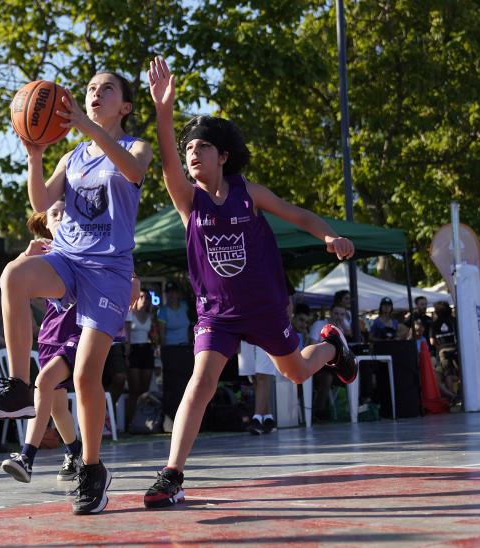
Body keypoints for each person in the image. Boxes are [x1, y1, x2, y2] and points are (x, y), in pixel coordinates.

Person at [143, 57, 357, 509]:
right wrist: (164, 112)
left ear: (222, 155)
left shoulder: (249, 192)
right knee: (199, 385)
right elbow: (165, 161)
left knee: (295, 372)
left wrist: (329, 236)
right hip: (215, 313)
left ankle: (332, 348)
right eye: (188, 151)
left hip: (262, 307)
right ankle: (172, 475)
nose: (192, 156)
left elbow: (297, 215)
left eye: (201, 148)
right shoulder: (188, 200)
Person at [0, 70, 152, 515]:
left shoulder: (134, 147)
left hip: (108, 269)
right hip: (68, 258)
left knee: (87, 376)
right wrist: (35, 156)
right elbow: (39, 203)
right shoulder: (72, 157)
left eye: (107, 88)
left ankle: (91, 468)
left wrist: (88, 129)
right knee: (14, 275)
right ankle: (16, 387)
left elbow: (132, 172)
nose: (94, 92)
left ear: (124, 106)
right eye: (90, 88)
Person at [1, 201, 83, 483]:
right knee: (57, 404)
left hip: (80, 331)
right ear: (44, 222)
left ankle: (26, 457)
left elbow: (115, 258)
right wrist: (24, 255)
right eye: (54, 213)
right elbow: (14, 284)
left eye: (66, 211)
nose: (60, 216)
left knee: (43, 383)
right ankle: (74, 451)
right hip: (50, 335)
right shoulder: (43, 254)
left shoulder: (87, 243)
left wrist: (134, 278)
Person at [157, 281, 194, 425]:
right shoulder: (163, 311)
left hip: (185, 350)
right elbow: (161, 334)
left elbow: (191, 327)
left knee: (186, 383)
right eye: (169, 292)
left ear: (178, 294)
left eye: (174, 292)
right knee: (172, 386)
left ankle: (189, 416)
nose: (171, 295)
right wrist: (163, 352)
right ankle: (171, 417)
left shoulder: (185, 307)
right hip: (171, 351)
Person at [125, 289, 155, 427]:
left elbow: (153, 336)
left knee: (144, 390)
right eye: (142, 296)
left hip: (147, 350)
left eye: (147, 298)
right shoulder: (130, 314)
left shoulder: (150, 316)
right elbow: (127, 337)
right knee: (134, 390)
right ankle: (129, 422)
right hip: (134, 351)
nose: (145, 300)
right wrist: (126, 354)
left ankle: (142, 423)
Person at [237, 342, 276, 434]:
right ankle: (268, 418)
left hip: (265, 333)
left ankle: (257, 419)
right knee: (253, 376)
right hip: (245, 335)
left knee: (262, 374)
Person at [430, 301, 459, 404]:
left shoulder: (435, 323)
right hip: (456, 350)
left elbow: (432, 341)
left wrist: (440, 348)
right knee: (461, 374)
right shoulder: (455, 320)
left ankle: (452, 397)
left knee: (448, 373)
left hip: (443, 352)